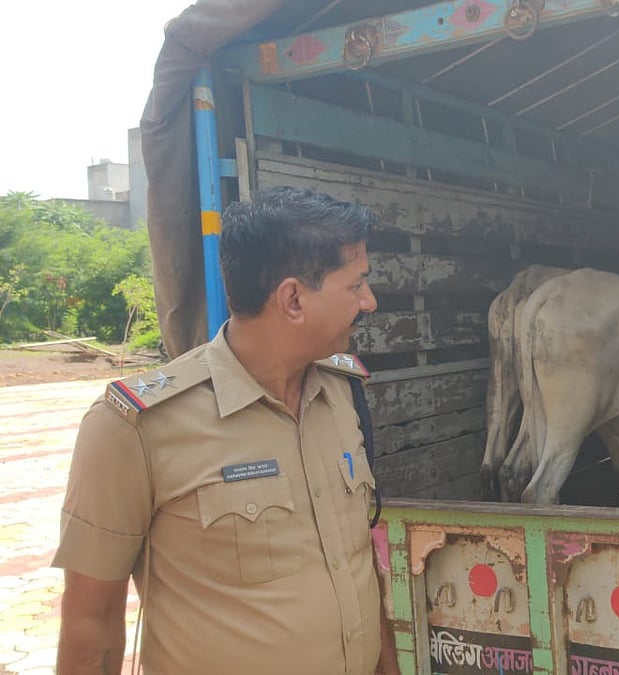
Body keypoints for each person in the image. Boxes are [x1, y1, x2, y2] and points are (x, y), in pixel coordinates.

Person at [52, 186, 400, 675]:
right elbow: (91, 626)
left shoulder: (342, 392)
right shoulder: (135, 427)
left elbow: (361, 568)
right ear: (293, 299)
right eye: (356, 285)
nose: (369, 301)